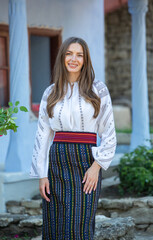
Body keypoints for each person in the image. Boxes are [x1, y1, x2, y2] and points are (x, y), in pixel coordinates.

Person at [30, 37, 116, 240]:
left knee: (79, 224)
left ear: (85, 60)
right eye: (69, 53)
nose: (74, 59)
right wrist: (42, 174)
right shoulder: (50, 93)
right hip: (57, 163)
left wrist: (97, 167)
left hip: (86, 163)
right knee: (56, 223)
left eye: (79, 55)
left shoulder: (98, 90)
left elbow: (109, 133)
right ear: (62, 57)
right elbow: (42, 136)